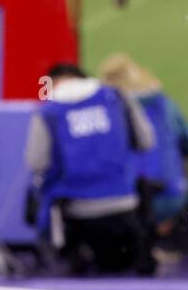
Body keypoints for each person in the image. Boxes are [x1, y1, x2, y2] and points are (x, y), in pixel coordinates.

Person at [24, 63, 156, 274]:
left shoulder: (48, 111)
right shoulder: (117, 98)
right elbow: (146, 141)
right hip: (126, 209)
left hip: (77, 220)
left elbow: (36, 162)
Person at [98, 54, 188, 257]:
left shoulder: (105, 109)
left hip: (114, 201)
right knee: (187, 164)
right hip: (167, 197)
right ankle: (161, 231)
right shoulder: (163, 103)